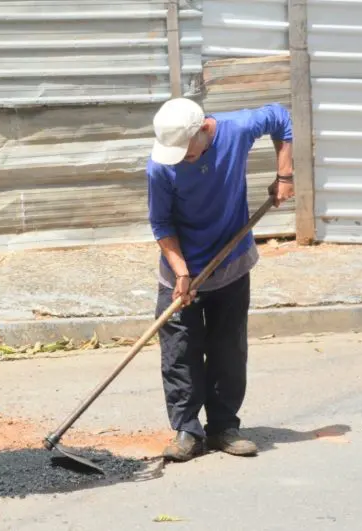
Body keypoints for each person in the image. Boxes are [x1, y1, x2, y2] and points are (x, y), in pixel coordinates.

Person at [146, 97, 295, 462]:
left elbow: (281, 119)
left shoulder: (237, 128)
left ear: (204, 130)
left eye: (186, 150)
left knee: (228, 347)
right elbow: (162, 225)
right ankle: (187, 431)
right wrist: (182, 272)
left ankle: (224, 427)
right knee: (179, 351)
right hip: (180, 271)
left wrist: (284, 175)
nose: (180, 157)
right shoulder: (160, 167)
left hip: (230, 262)